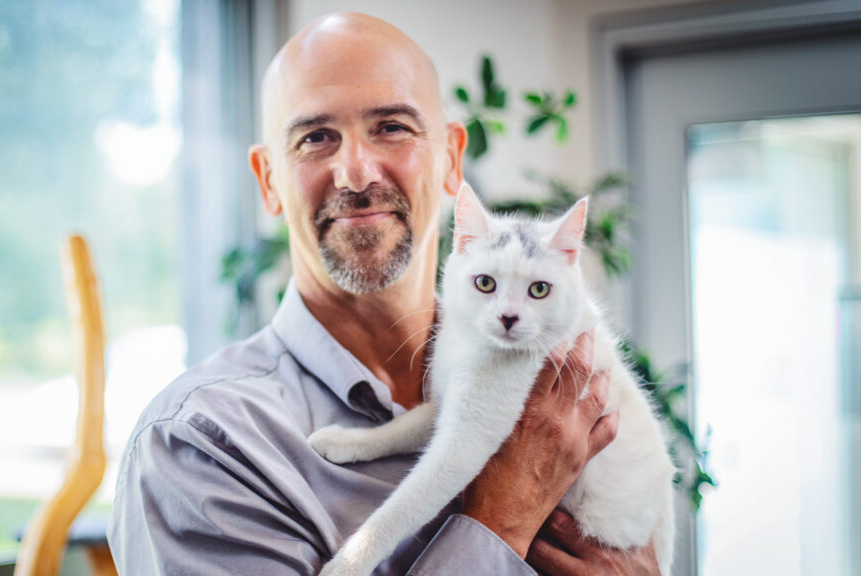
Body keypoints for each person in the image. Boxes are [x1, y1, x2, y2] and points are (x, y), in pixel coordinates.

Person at [108, 11, 662, 576]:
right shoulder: (200, 448)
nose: (356, 172)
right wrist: (502, 518)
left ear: (451, 159)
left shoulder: (574, 386)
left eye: (392, 126)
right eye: (315, 137)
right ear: (268, 180)